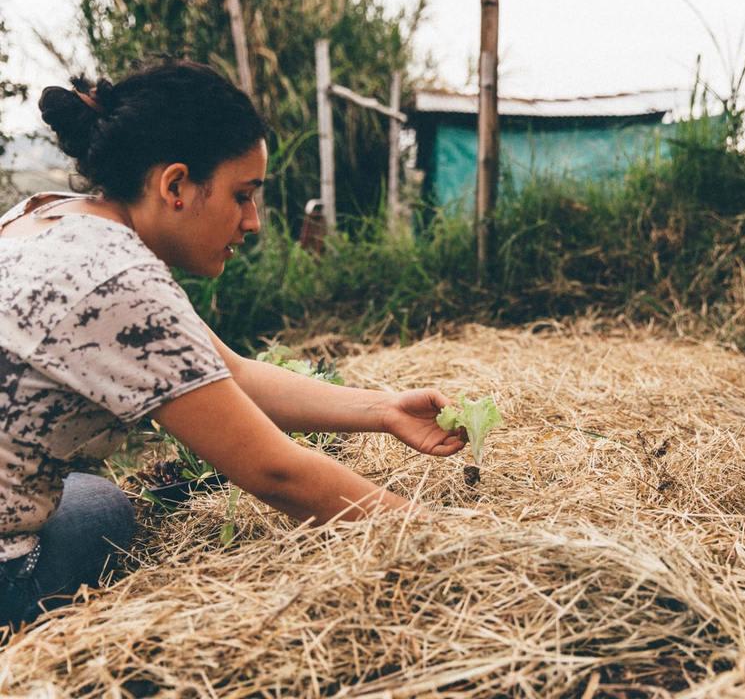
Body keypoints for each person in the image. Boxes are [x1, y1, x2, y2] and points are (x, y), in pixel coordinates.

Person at [0, 60, 466, 626]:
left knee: (87, 495)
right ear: (175, 185)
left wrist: (384, 409)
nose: (253, 222)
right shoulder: (116, 280)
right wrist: (450, 543)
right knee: (100, 508)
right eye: (242, 195)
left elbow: (231, 375)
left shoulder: (43, 215)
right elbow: (276, 473)